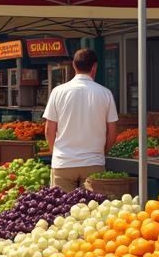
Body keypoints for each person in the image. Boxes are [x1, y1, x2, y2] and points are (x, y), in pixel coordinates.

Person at [43, 48, 118, 191]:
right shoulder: (105, 93)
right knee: (93, 211)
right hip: (93, 163)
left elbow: (49, 131)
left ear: (73, 65)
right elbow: (112, 133)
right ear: (94, 67)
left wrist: (57, 154)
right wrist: (101, 153)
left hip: (63, 163)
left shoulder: (57, 92)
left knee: (61, 210)